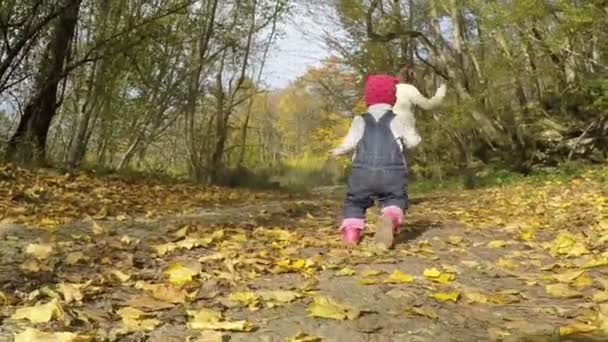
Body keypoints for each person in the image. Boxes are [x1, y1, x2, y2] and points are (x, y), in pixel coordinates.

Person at [330, 73, 446, 247]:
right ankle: (390, 217)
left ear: (367, 98)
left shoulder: (359, 120)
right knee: (395, 198)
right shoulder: (396, 120)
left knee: (354, 201)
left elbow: (348, 144)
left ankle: (351, 234)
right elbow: (413, 142)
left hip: (362, 173)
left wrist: (337, 151)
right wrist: (414, 139)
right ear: (392, 99)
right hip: (392, 172)